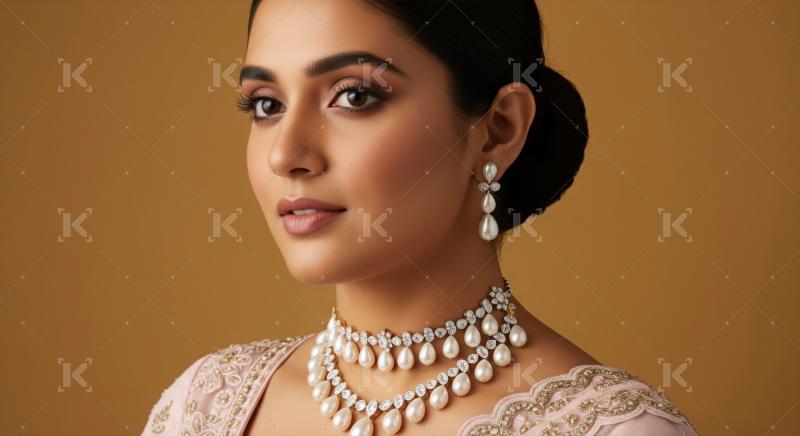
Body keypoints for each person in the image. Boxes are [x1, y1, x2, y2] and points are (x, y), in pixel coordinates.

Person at [142, 1, 699, 434]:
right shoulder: (204, 407)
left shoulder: (615, 429)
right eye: (267, 104)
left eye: (354, 97)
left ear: (498, 129)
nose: (285, 155)